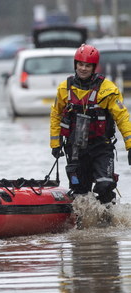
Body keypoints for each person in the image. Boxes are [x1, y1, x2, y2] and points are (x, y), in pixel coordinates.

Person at [50, 44, 131, 205]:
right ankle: (83, 225)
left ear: (94, 67)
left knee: (104, 185)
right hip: (75, 149)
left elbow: (122, 117)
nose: (83, 69)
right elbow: (56, 114)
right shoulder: (64, 88)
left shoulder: (108, 89)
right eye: (80, 64)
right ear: (75, 65)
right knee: (80, 193)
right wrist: (55, 143)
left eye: (88, 65)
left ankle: (108, 223)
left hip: (101, 147)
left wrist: (130, 145)